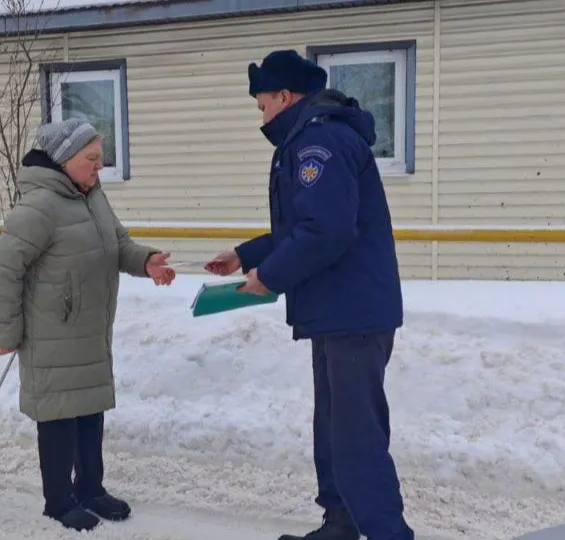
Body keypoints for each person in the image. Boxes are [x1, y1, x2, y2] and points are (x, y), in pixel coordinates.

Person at [206, 50, 414, 540]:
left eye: (262, 106)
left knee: (356, 438)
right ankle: (340, 524)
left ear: (284, 96)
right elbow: (304, 225)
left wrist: (269, 277)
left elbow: (325, 231)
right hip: (337, 310)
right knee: (334, 432)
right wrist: (245, 255)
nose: (262, 116)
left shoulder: (320, 141)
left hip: (352, 313)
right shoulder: (310, 137)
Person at [0, 118, 176, 532]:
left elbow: (117, 245)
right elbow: (3, 273)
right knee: (58, 419)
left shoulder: (90, 197)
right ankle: (58, 501)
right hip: (51, 334)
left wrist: (146, 261)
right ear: (64, 160)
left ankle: (90, 488)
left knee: (90, 412)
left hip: (90, 329)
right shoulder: (39, 206)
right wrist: (7, 333)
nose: (99, 166)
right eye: (91, 158)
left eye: (100, 158)